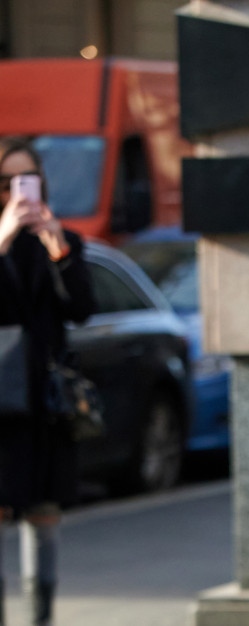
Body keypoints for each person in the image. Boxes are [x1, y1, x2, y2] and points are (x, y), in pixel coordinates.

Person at [0, 137, 96, 625]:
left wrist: (58, 250)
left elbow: (82, 309)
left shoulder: (62, 242)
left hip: (46, 402)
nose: (16, 192)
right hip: (1, 403)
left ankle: (40, 618)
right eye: (6, 182)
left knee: (44, 516)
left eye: (27, 180)